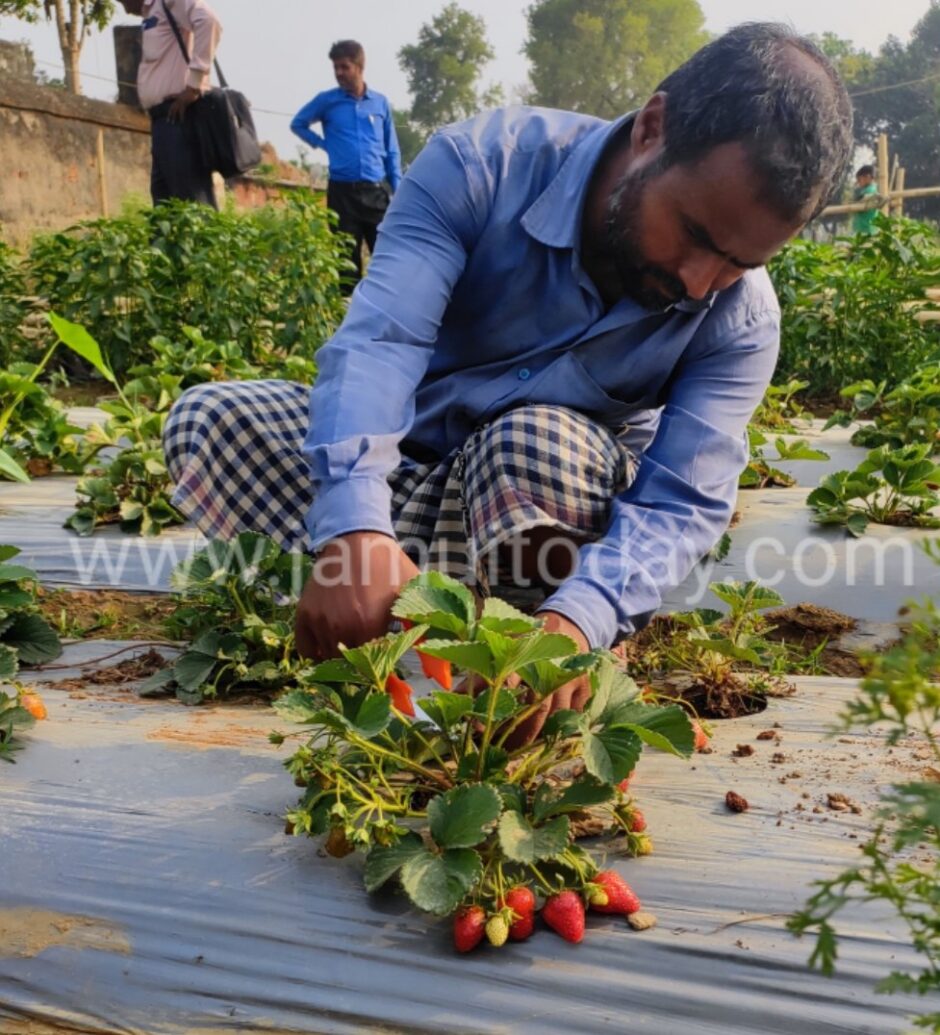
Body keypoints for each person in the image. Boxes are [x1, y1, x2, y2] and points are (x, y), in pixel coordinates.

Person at [165, 23, 853, 742]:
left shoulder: (738, 318)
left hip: (531, 506)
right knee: (207, 424)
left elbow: (680, 501)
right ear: (653, 128)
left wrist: (583, 614)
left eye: (738, 262)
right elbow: (381, 343)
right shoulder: (479, 166)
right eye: (693, 233)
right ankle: (392, 598)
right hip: (414, 474)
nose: (696, 281)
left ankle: (524, 648)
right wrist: (357, 524)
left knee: (534, 443)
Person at [290, 40, 402, 286]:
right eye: (335, 68)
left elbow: (392, 150)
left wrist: (399, 190)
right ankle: (346, 319)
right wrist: (323, 143)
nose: (339, 73)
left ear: (359, 67)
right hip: (343, 194)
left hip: (376, 193)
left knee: (388, 263)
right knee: (346, 266)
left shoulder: (380, 103)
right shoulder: (327, 101)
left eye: (344, 67)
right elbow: (298, 123)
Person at [118, 0, 222, 207]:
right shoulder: (152, 13)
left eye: (123, 1)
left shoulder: (169, 2)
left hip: (180, 116)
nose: (126, 10)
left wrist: (193, 86)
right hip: (162, 121)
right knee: (164, 204)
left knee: (191, 203)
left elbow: (209, 22)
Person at [852, 164, 880, 235]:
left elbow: (857, 201)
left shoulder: (870, 190)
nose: (858, 182)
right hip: (864, 227)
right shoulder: (867, 189)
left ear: (867, 177)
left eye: (859, 179)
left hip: (865, 227)